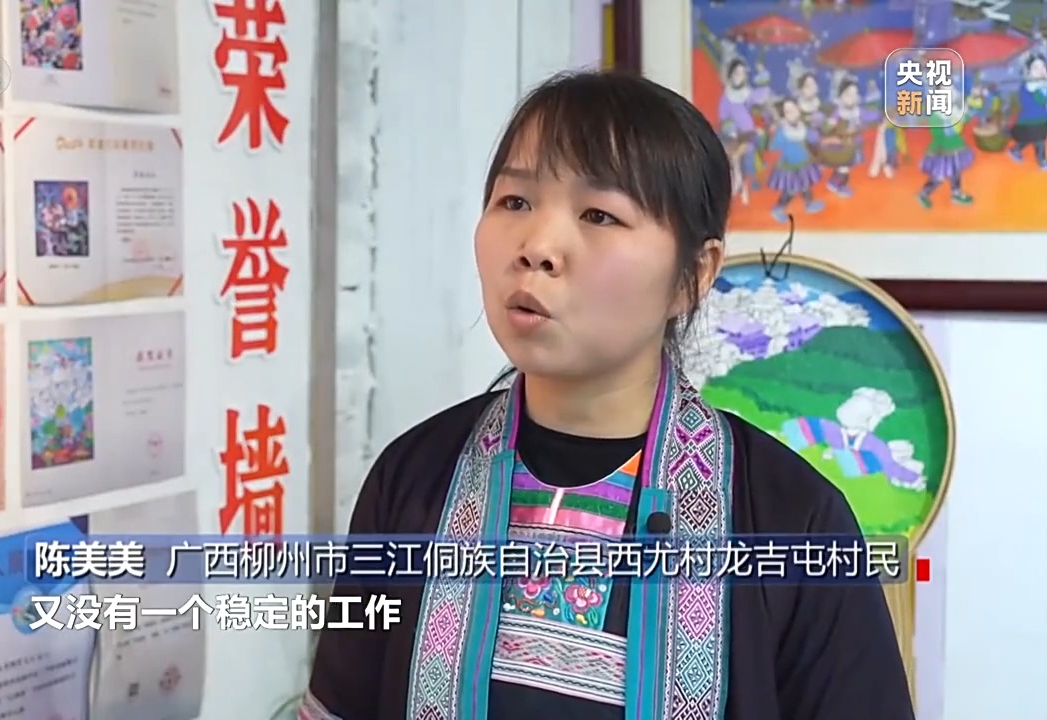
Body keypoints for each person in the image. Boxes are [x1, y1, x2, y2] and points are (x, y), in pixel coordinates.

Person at [301, 70, 913, 720]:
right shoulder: (413, 478)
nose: (537, 247)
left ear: (692, 275)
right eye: (515, 201)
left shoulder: (794, 520)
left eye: (599, 214)